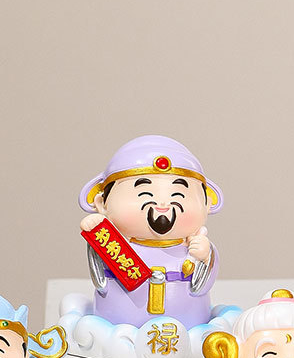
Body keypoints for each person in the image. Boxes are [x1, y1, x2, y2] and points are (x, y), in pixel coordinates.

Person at [79, 135, 223, 328]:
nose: (163, 204)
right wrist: (99, 234)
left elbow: (201, 285)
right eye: (144, 194)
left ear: (207, 204)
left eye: (178, 195)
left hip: (187, 327)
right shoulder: (116, 245)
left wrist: (205, 256)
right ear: (101, 203)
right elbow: (101, 277)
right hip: (118, 329)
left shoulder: (193, 248)